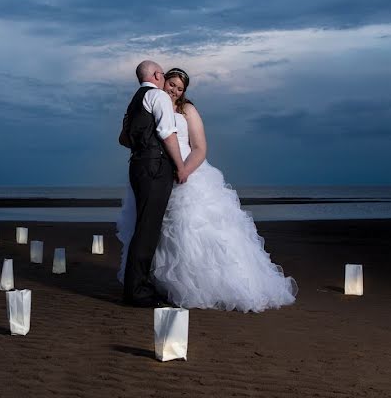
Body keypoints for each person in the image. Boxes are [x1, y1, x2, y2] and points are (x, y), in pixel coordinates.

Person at [117, 67, 298, 312]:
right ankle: (158, 284)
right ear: (163, 80)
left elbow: (200, 148)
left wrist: (184, 171)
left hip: (184, 174)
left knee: (190, 230)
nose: (175, 90)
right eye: (172, 84)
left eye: (180, 89)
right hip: (157, 173)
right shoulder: (152, 102)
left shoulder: (187, 110)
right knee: (155, 232)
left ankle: (196, 286)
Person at [118, 60, 188, 307]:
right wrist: (180, 166)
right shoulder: (157, 96)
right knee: (148, 229)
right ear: (158, 75)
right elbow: (168, 134)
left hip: (137, 165)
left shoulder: (135, 100)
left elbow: (123, 139)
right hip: (155, 166)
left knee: (144, 226)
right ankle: (137, 291)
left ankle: (138, 286)